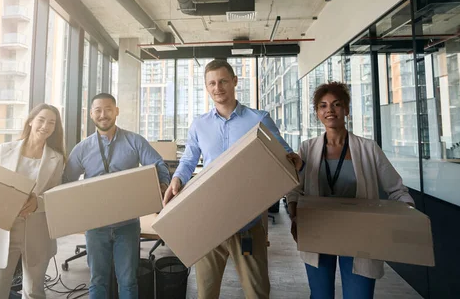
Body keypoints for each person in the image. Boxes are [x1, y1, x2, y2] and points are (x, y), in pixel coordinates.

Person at [163, 59, 302, 299]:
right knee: (205, 293)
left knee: (257, 292)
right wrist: (177, 179)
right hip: (209, 222)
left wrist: (293, 159)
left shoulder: (259, 119)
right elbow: (187, 161)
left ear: (235, 81)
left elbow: (283, 155)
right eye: (212, 83)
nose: (218, 87)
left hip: (247, 222)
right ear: (206, 87)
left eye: (223, 81)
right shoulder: (199, 125)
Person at [286, 82, 415, 299]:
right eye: (323, 106)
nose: (330, 110)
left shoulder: (368, 148)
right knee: (320, 295)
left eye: (336, 104)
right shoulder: (307, 149)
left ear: (346, 110)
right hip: (318, 229)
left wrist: (407, 217)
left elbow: (396, 189)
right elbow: (294, 190)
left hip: (360, 234)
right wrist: (294, 216)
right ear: (317, 112)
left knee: (359, 295)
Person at [64, 93, 171, 299]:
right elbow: (66, 182)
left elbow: (159, 165)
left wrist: (163, 184)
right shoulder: (82, 149)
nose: (103, 114)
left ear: (117, 111)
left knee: (128, 281)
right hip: (95, 226)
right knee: (97, 281)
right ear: (91, 115)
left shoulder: (134, 141)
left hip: (127, 225)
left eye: (108, 109)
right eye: (98, 110)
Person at [0, 104, 66, 299]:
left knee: (33, 292)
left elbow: (55, 195)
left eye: (51, 123)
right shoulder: (5, 150)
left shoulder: (56, 158)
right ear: (31, 121)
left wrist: (37, 203)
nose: (45, 126)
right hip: (4, 230)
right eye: (41, 120)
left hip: (37, 231)